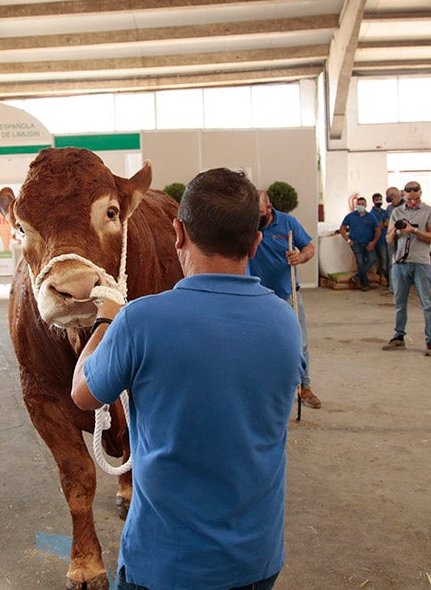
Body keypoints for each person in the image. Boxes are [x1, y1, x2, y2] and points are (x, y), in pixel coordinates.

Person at [71, 168, 303, 590]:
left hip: (165, 564)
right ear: (255, 241)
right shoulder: (285, 321)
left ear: (178, 233)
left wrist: (104, 323)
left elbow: (82, 395)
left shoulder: (140, 321)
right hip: (256, 561)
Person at [247, 189, 321, 408]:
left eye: (259, 214)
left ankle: (304, 387)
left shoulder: (288, 223)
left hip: (287, 292)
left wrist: (301, 256)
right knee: (256, 343)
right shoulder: (246, 224)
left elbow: (308, 247)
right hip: (256, 295)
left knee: (300, 341)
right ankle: (262, 388)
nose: (256, 220)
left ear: (269, 208)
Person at [383, 181, 431, 356]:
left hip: (421, 262)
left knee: (427, 303)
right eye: (410, 199)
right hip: (400, 263)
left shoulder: (429, 211)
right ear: (404, 196)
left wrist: (414, 231)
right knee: (399, 303)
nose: (413, 202)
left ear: (420, 194)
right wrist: (394, 231)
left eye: (416, 198)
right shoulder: (397, 212)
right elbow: (388, 239)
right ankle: (399, 337)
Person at [339, 196, 380, 291]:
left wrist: (373, 243)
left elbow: (377, 231)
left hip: (368, 243)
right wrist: (348, 240)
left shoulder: (371, 217)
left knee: (372, 259)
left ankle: (357, 276)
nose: (360, 206)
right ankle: (365, 284)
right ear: (356, 205)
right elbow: (342, 229)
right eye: (358, 204)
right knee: (360, 263)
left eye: (362, 204)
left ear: (366, 205)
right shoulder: (350, 216)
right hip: (356, 244)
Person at [370, 193, 391, 289]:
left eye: (380, 199)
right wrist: (383, 224)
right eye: (377, 199)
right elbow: (378, 226)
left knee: (389, 259)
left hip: (387, 238)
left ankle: (389, 279)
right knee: (383, 259)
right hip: (379, 240)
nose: (379, 201)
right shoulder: (372, 214)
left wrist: (384, 224)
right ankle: (383, 276)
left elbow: (388, 222)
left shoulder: (384, 211)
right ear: (373, 201)